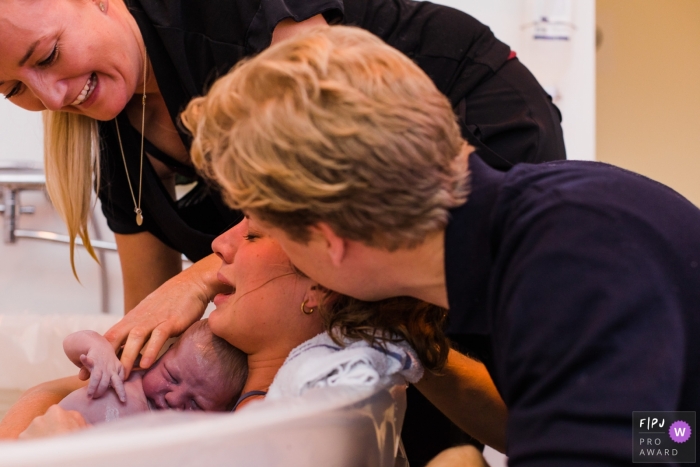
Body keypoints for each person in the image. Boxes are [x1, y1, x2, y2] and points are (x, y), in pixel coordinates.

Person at [179, 25, 700, 465]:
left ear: (329, 239)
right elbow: (663, 436)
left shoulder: (567, 269)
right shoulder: (528, 232)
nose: (223, 244)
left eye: (258, 229)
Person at [58, 319, 247, 426]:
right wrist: (98, 349)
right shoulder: (127, 368)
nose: (174, 398)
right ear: (161, 354)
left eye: (196, 403)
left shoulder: (183, 434)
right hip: (49, 442)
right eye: (171, 376)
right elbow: (70, 344)